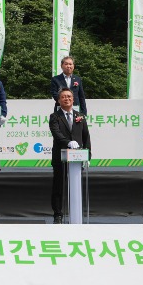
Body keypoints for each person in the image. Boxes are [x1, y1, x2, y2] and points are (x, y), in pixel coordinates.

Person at [49, 87, 91, 224]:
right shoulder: (54, 116)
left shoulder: (80, 115)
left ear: (73, 99)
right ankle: (58, 214)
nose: (66, 99)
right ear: (59, 100)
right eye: (63, 97)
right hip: (60, 156)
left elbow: (86, 136)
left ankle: (76, 212)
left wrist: (88, 154)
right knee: (59, 186)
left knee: (75, 185)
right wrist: (68, 143)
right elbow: (57, 134)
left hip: (77, 157)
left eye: (69, 97)